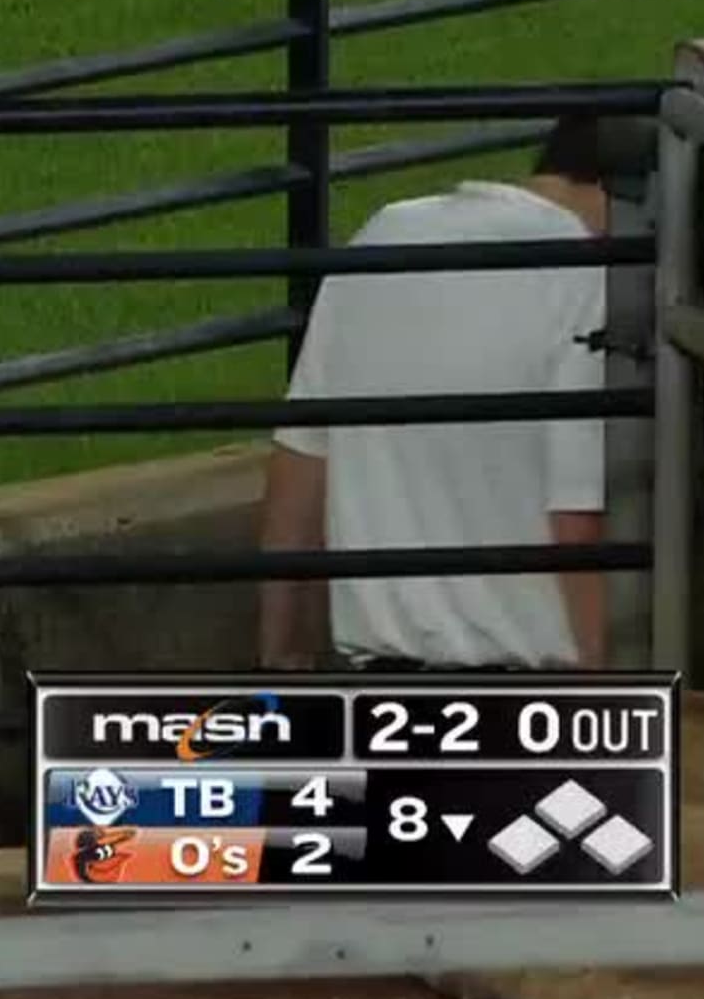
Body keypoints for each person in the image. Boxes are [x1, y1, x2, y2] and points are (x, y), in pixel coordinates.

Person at [255, 115, 644, 674]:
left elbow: (299, 468)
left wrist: (280, 659)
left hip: (380, 702)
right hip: (532, 710)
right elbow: (576, 524)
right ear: (631, 196)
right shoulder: (592, 283)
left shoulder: (383, 234)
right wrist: (613, 711)